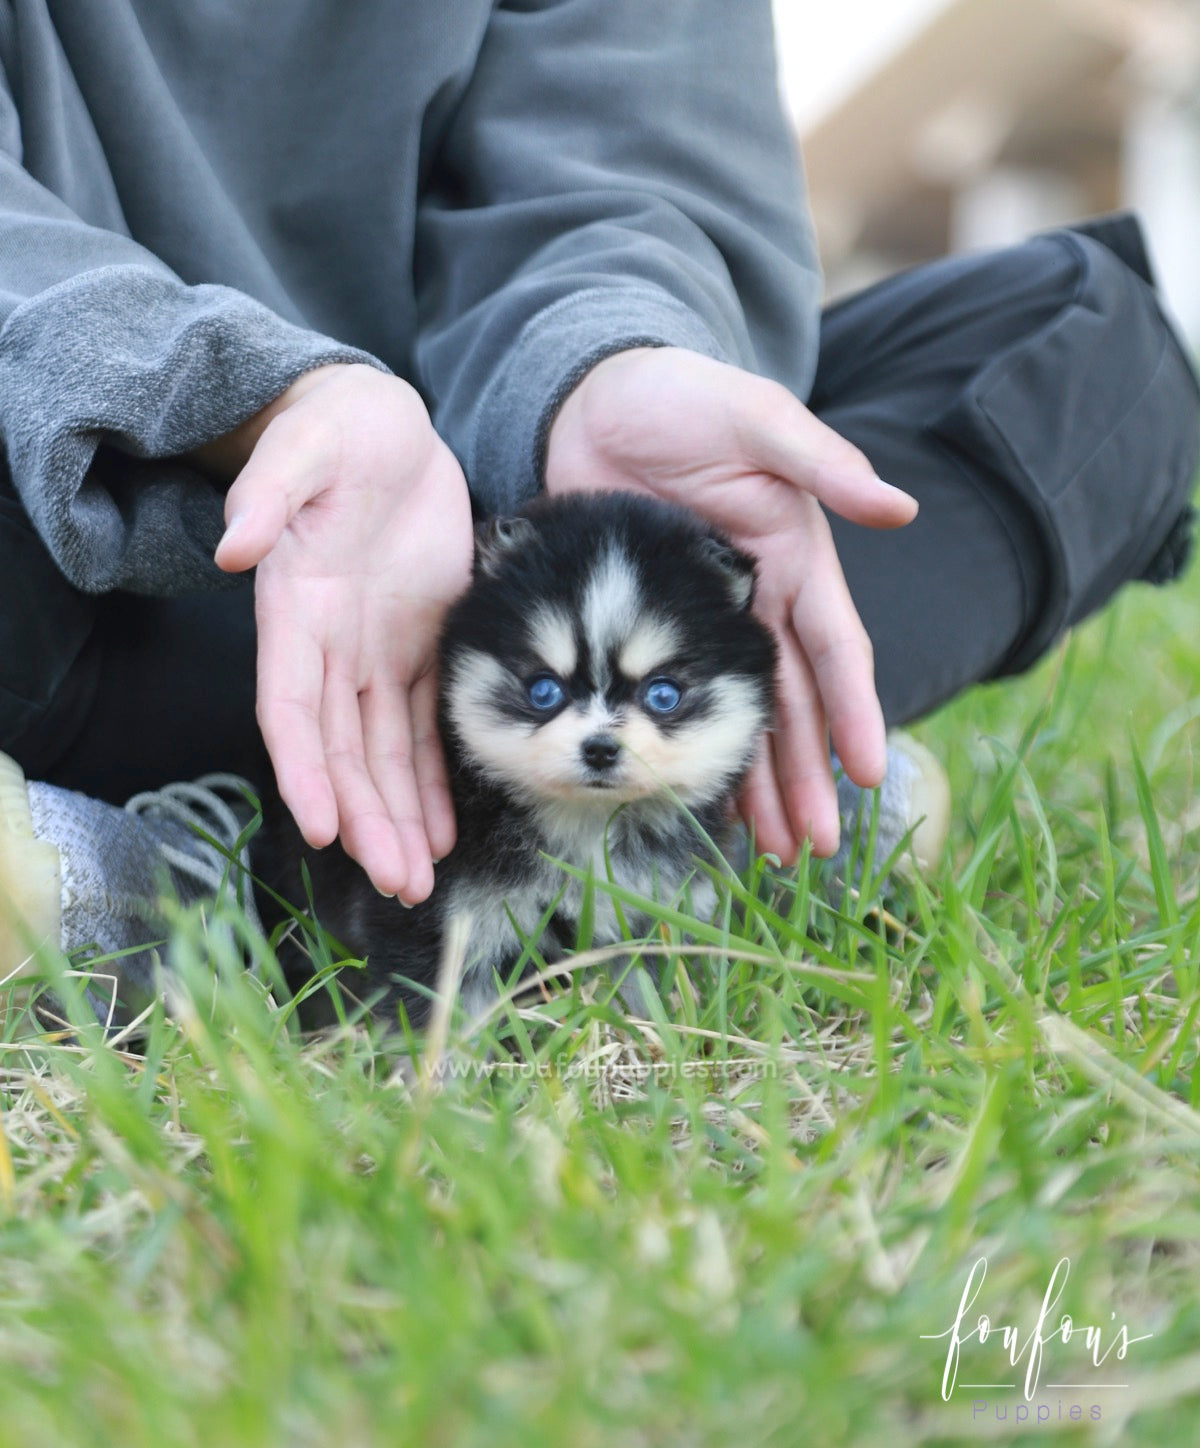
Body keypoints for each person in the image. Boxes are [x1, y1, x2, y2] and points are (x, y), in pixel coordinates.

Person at [0, 2, 1196, 999]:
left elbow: (636, 158)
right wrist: (260, 402)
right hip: (107, 552)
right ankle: (202, 879)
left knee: (1090, 339)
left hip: (508, 570)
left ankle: (652, 831)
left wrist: (611, 365)